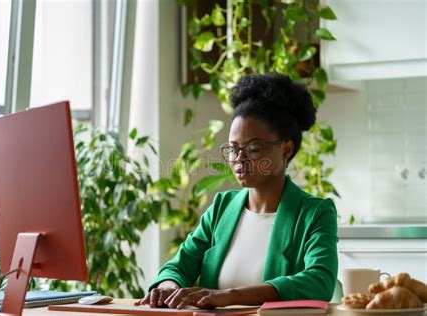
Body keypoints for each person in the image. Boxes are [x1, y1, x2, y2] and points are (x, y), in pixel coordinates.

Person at [135, 73, 338, 309]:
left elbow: (319, 281)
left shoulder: (315, 213)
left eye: (253, 148)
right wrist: (168, 287)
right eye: (233, 148)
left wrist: (230, 296)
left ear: (286, 149)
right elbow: (179, 265)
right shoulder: (223, 207)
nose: (239, 159)